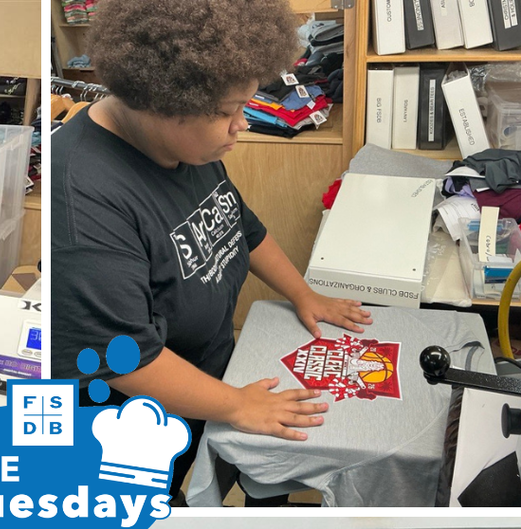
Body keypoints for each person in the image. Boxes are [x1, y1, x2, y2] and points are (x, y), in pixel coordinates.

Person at [52, 0, 373, 495]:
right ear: (160, 101)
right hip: (133, 427)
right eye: (228, 112)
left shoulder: (185, 143)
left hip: (209, 382)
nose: (241, 125)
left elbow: (240, 225)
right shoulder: (82, 198)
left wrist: (305, 295)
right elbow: (125, 358)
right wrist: (237, 406)